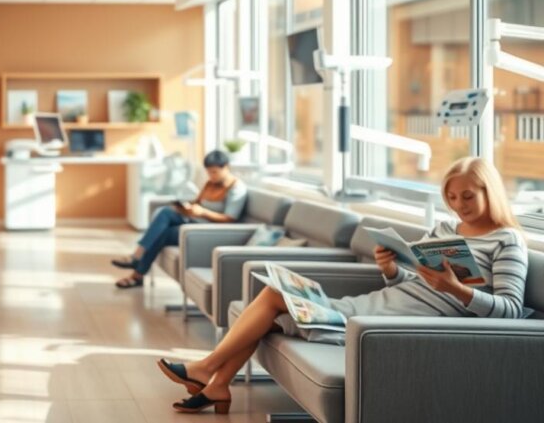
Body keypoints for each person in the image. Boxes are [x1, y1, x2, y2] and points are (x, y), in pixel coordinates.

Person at [155, 157, 527, 414]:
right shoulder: (446, 230)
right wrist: (393, 271)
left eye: (467, 196)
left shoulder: (507, 241)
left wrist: (456, 289)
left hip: (391, 326)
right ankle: (217, 383)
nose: (458, 205)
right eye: (451, 196)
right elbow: (419, 284)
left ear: (488, 192)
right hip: (380, 304)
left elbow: (511, 312)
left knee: (272, 298)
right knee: (274, 293)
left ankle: (208, 369)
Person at [113, 150, 248, 289]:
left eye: (214, 172)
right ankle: (138, 256)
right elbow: (199, 202)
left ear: (226, 167)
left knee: (164, 233)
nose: (211, 176)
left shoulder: (236, 188)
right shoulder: (211, 184)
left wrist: (203, 212)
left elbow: (230, 218)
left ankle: (137, 272)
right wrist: (187, 208)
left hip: (208, 230)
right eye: (209, 172)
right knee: (165, 212)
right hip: (195, 220)